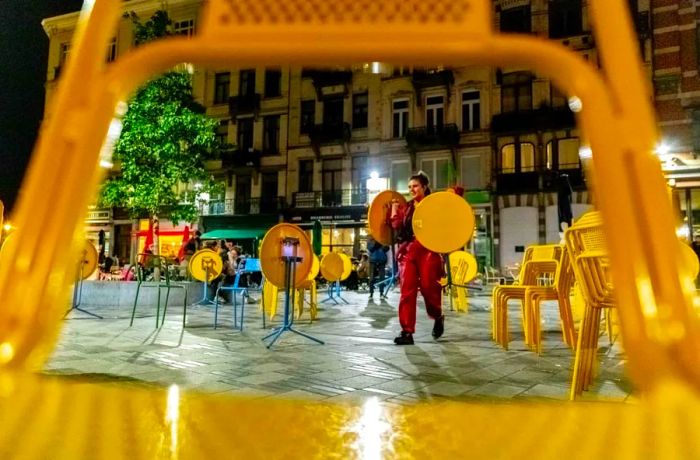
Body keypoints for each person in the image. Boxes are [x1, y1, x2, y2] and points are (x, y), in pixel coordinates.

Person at [390, 171, 445, 345]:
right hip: (408, 251)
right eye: (409, 187)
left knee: (430, 289)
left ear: (424, 187)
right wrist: (392, 207)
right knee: (407, 291)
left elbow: (449, 220)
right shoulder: (406, 207)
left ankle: (438, 315)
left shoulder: (434, 204)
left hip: (429, 250)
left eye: (415, 186)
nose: (411, 189)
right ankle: (407, 332)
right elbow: (396, 224)